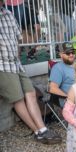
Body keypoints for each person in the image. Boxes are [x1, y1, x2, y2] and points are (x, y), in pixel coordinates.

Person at [0, 2, 61, 144]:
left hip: (15, 62)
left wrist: (17, 56)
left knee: (31, 93)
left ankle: (43, 129)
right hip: (2, 65)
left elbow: (17, 39)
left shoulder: (8, 14)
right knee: (18, 99)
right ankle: (38, 132)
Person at [49, 42, 76, 107]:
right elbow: (53, 88)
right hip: (70, 102)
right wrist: (69, 98)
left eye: (73, 52)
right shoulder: (58, 68)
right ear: (61, 54)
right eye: (68, 53)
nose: (71, 55)